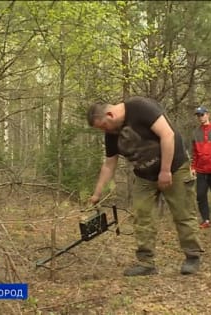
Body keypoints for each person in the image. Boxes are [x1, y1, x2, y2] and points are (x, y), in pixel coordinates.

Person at [87, 96, 203, 276]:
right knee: (142, 215)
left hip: (174, 166)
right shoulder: (111, 133)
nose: (104, 130)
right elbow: (109, 163)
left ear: (110, 114)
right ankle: (146, 263)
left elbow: (167, 134)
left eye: (103, 126)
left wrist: (165, 171)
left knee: (183, 212)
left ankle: (192, 256)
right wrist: (97, 193)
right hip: (144, 175)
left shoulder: (140, 107)